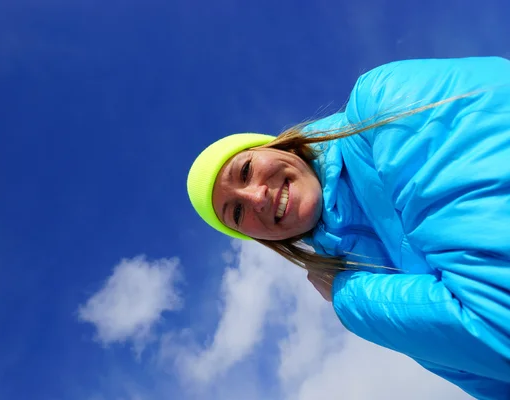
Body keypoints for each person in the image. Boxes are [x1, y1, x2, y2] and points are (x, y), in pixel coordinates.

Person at [186, 56, 510, 399]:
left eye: (246, 169)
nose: (258, 197)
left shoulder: (380, 102)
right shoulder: (358, 266)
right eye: (236, 212)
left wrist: (348, 297)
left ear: (275, 144)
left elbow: (496, 322)